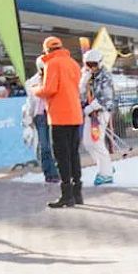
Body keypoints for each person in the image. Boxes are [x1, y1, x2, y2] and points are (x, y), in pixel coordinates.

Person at [36, 36, 86, 208]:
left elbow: (50, 89)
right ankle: (77, 193)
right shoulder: (73, 63)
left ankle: (66, 195)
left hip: (59, 116)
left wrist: (36, 90)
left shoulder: (52, 64)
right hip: (75, 114)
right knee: (74, 154)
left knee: (62, 156)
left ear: (47, 49)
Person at [80, 50, 118, 186]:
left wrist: (92, 107)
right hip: (89, 113)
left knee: (97, 141)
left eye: (94, 64)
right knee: (87, 143)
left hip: (101, 112)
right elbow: (81, 94)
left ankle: (106, 173)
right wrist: (83, 81)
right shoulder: (87, 75)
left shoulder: (105, 76)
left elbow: (106, 97)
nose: (91, 67)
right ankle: (105, 164)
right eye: (88, 64)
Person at [21, 64, 59, 184]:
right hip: (40, 116)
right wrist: (29, 118)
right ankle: (49, 173)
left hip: (53, 114)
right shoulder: (32, 81)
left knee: (54, 145)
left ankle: (57, 172)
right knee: (45, 146)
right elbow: (30, 101)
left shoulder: (54, 78)